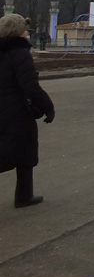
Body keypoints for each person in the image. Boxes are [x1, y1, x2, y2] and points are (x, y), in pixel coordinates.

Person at [0, 14, 55, 208]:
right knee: (14, 151)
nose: (27, 33)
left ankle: (25, 195)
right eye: (25, 29)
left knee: (25, 151)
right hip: (15, 112)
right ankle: (23, 196)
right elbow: (30, 86)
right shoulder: (19, 53)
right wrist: (48, 107)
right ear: (18, 31)